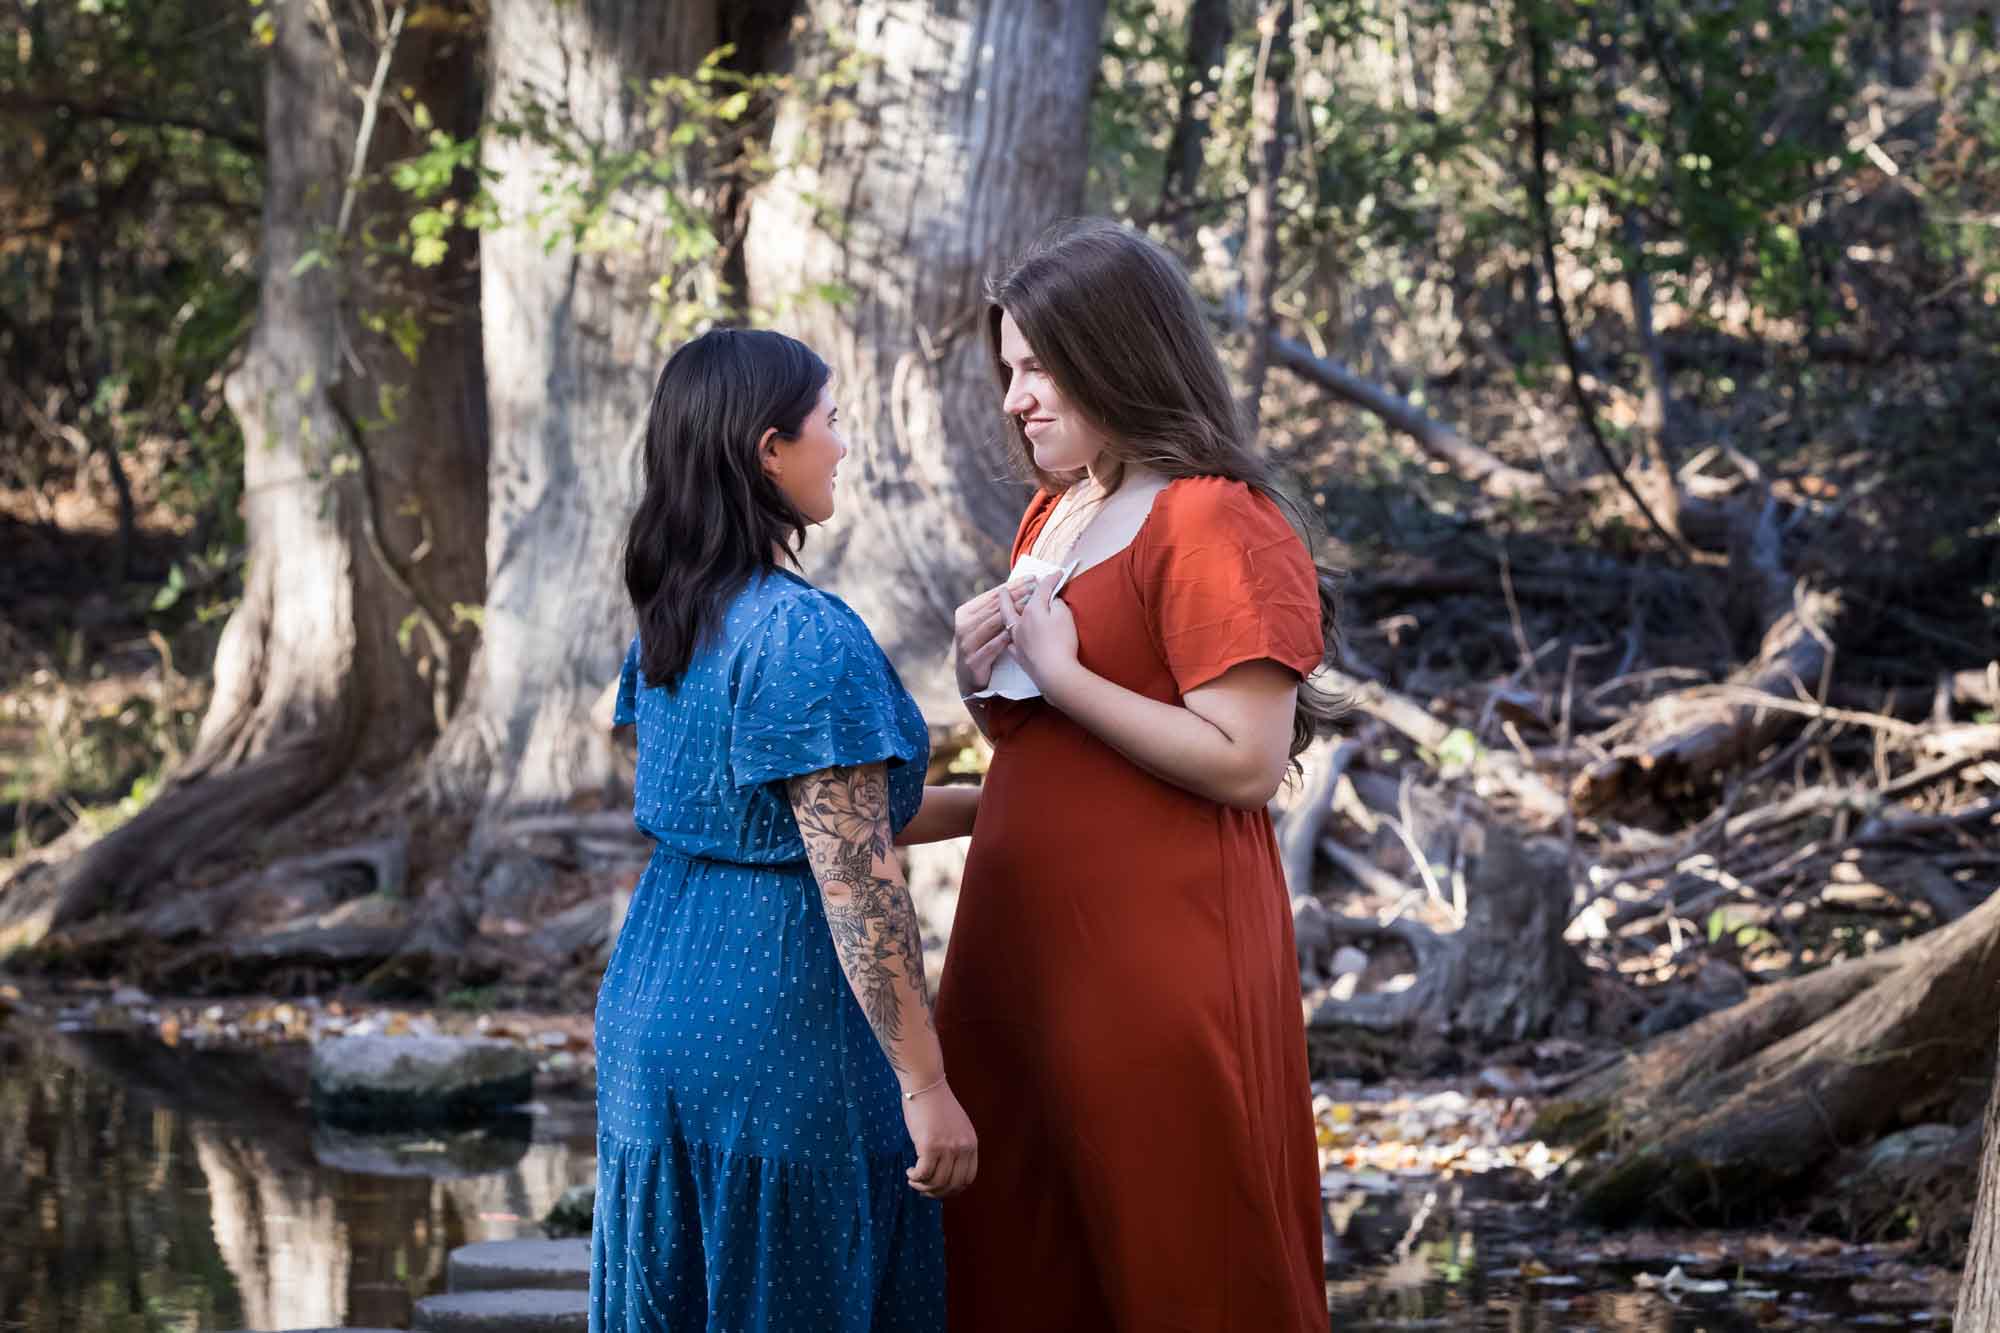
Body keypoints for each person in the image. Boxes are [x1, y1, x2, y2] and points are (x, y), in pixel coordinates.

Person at [936, 219, 1341, 1332]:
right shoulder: (1051, 512)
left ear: (1119, 352)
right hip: (1016, 948)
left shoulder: (1211, 516)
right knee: (1018, 1248)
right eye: (1006, 369)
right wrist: (984, 684)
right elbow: (1057, 747)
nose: (1015, 397)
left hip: (1153, 952)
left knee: (1177, 1244)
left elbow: (1244, 760)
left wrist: (1060, 676)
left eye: (1039, 367)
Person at [593, 327, 979, 1333]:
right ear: (770, 447)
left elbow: (774, 819)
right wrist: (926, 1082)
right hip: (774, 1026)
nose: (843, 445)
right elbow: (852, 877)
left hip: (656, 1001)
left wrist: (1007, 807)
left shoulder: (678, 614)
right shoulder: (804, 634)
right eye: (831, 421)